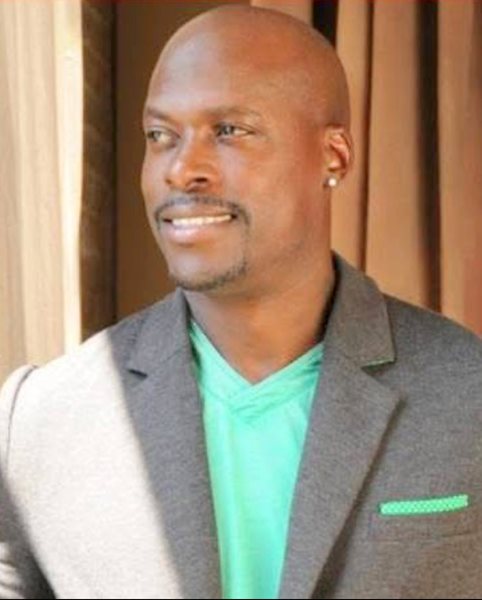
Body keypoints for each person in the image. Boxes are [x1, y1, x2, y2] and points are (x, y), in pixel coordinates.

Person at [1, 5, 481, 599]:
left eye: (229, 130)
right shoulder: (39, 420)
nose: (183, 169)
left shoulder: (468, 393)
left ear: (333, 157)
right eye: (161, 136)